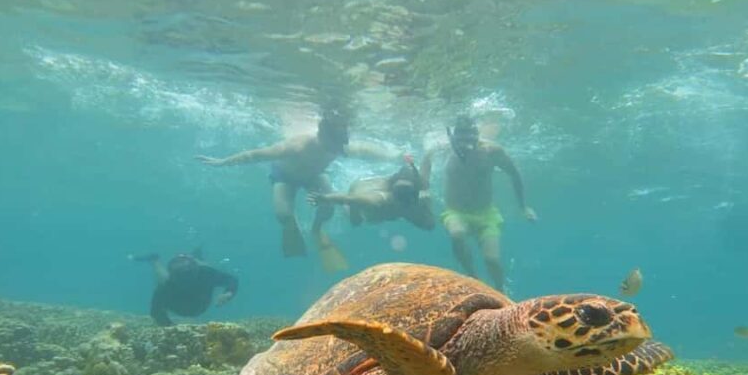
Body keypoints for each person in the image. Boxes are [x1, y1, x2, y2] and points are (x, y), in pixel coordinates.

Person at [196, 109, 402, 272]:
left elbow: (366, 150)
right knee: (283, 215)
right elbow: (256, 154)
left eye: (339, 148)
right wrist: (223, 162)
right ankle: (293, 227)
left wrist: (394, 156)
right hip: (284, 176)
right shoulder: (297, 146)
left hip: (314, 176)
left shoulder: (339, 144)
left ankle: (315, 230)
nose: (336, 152)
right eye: (333, 147)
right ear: (321, 136)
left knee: (328, 210)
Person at [422, 114, 537, 290]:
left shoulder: (492, 151)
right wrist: (424, 188)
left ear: (477, 133)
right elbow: (426, 159)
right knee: (457, 233)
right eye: (461, 134)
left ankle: (500, 290)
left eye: (470, 134)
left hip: (486, 214)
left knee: (492, 259)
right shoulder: (444, 149)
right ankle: (472, 276)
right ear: (453, 135)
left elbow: (514, 173)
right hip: (456, 212)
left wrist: (524, 206)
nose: (466, 141)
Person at [306, 156, 435, 230]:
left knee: (428, 222)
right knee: (356, 222)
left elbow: (425, 167)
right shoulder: (379, 199)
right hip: (360, 194)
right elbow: (350, 199)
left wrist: (431, 150)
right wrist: (324, 198)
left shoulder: (418, 184)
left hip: (371, 189)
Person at [131, 250, 238, 326]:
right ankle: (154, 260)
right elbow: (155, 312)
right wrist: (170, 327)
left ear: (195, 269)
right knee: (162, 278)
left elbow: (231, 280)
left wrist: (228, 293)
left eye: (188, 272)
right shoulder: (165, 287)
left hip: (185, 306)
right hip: (193, 305)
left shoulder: (206, 273)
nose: (185, 277)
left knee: (163, 278)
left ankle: (155, 260)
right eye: (180, 274)